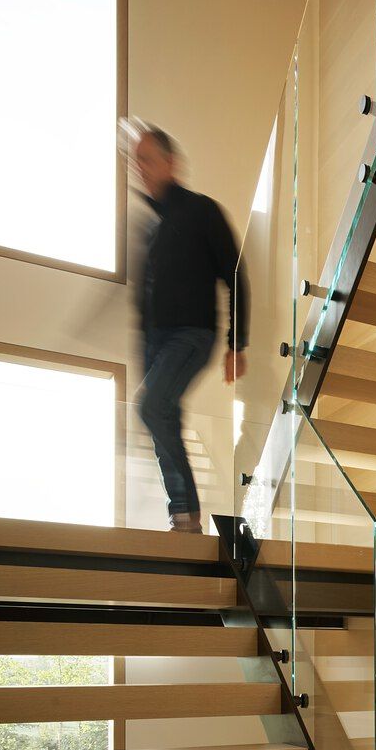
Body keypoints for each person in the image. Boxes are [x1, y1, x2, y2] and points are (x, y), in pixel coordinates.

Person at [129, 125, 247, 531]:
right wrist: (144, 351)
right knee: (162, 418)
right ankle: (184, 518)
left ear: (171, 163)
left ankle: (186, 513)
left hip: (193, 335)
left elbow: (235, 275)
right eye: (135, 160)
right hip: (157, 344)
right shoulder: (154, 227)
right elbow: (143, 304)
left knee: (149, 407)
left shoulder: (202, 211)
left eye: (146, 158)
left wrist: (238, 343)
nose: (139, 167)